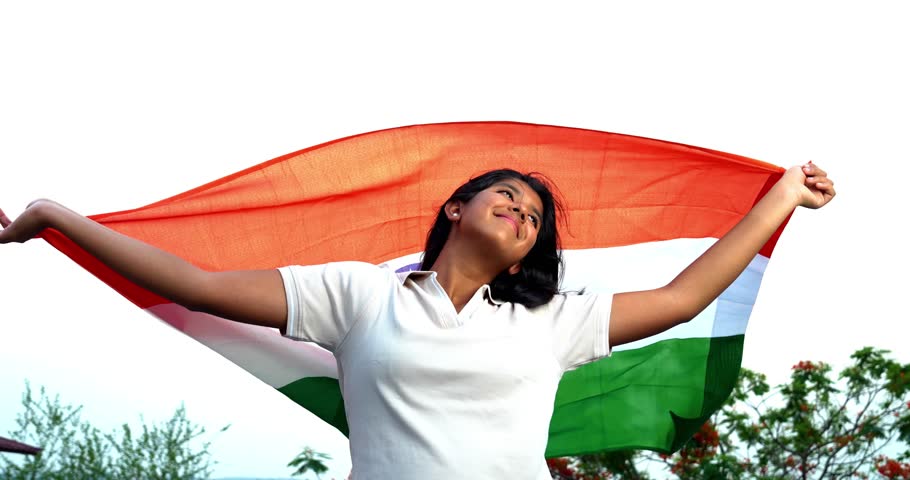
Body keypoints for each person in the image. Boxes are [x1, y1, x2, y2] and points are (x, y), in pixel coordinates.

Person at [0, 162, 835, 479]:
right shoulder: (360, 296)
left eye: (535, 216)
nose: (521, 210)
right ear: (455, 207)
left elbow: (686, 298)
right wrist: (59, 217)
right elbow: (197, 283)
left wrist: (780, 200)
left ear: (526, 255)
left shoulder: (550, 322)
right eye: (506, 195)